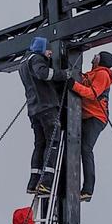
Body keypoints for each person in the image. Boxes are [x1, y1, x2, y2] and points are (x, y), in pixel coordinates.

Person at [18, 37, 69, 194]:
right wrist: (63, 74)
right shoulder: (37, 59)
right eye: (48, 49)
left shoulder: (23, 63)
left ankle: (33, 182)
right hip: (46, 106)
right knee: (52, 142)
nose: (50, 53)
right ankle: (46, 182)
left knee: (39, 144)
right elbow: (44, 74)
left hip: (33, 110)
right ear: (41, 48)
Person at [68, 51, 112, 202]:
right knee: (75, 145)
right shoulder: (93, 73)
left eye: (97, 55)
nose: (94, 56)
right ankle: (84, 189)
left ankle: (88, 189)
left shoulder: (102, 74)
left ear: (100, 60)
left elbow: (92, 93)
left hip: (96, 117)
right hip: (86, 115)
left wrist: (73, 85)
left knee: (86, 149)